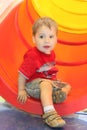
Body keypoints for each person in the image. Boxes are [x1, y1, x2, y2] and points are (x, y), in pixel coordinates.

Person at [17, 17, 71, 128]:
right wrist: (21, 90)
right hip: (33, 85)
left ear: (56, 39)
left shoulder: (51, 53)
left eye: (51, 37)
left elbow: (49, 71)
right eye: (41, 37)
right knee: (46, 84)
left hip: (47, 83)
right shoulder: (33, 56)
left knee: (67, 86)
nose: (47, 41)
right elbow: (22, 74)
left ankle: (56, 95)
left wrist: (55, 82)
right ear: (34, 38)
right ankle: (49, 114)